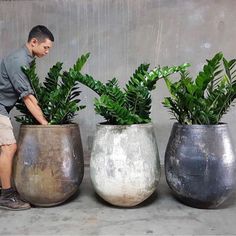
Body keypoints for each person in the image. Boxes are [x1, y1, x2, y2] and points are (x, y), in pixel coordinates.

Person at [0, 25, 54, 210]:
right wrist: (46, 124)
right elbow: (28, 98)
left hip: (2, 107)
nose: (47, 52)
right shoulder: (19, 61)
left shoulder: (26, 59)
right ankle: (6, 195)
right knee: (9, 147)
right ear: (34, 42)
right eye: (46, 47)